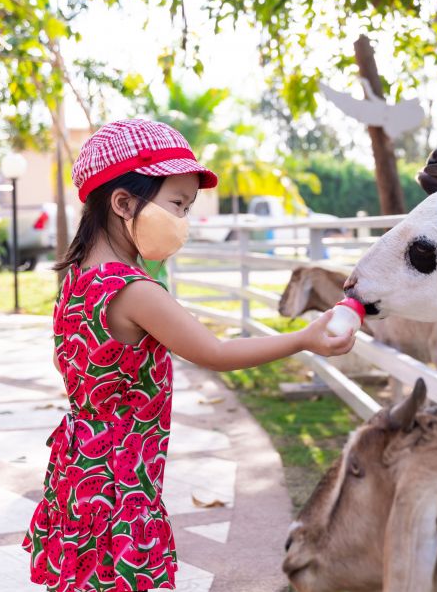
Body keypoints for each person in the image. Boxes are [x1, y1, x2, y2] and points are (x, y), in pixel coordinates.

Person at [22, 119, 355, 592]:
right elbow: (215, 351)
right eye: (177, 204)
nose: (184, 220)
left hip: (80, 471)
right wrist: (304, 337)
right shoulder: (132, 290)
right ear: (123, 203)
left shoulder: (77, 280)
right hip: (122, 487)